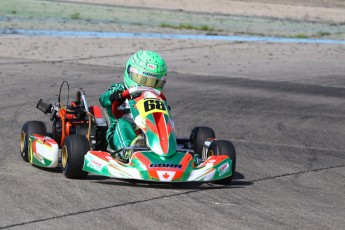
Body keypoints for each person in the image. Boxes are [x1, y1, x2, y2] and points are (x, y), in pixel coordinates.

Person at [99, 50, 167, 158]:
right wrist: (114, 96)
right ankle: (129, 151)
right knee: (122, 123)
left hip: (148, 130)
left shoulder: (155, 98)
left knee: (165, 122)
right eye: (143, 80)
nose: (147, 86)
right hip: (117, 133)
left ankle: (166, 149)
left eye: (153, 82)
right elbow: (103, 99)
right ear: (130, 72)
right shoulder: (119, 89)